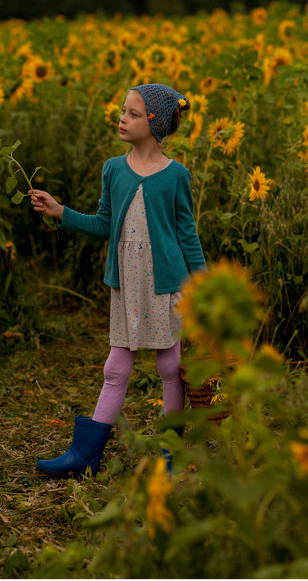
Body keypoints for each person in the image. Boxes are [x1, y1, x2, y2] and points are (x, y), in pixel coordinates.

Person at [29, 83, 206, 478]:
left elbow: (187, 236)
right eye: (122, 111)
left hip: (166, 286)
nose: (122, 119)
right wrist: (61, 212)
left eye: (132, 114)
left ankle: (170, 453)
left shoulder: (176, 175)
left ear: (155, 123)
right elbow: (105, 223)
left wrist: (204, 286)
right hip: (126, 285)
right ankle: (85, 454)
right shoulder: (113, 169)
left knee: (169, 365)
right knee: (116, 368)